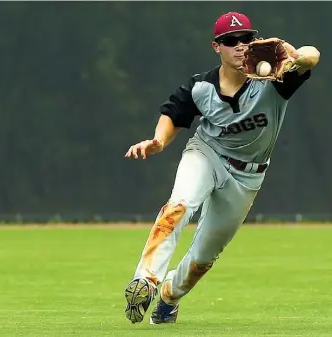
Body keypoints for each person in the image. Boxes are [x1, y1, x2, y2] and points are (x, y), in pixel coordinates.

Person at [123, 11, 320, 325]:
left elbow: (313, 56)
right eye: (231, 41)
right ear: (217, 46)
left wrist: (296, 56)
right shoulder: (201, 87)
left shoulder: (275, 80)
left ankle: (169, 297)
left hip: (247, 176)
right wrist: (158, 141)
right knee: (178, 207)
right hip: (206, 154)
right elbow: (174, 113)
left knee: (203, 258)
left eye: (245, 38)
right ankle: (145, 281)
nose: (240, 46)